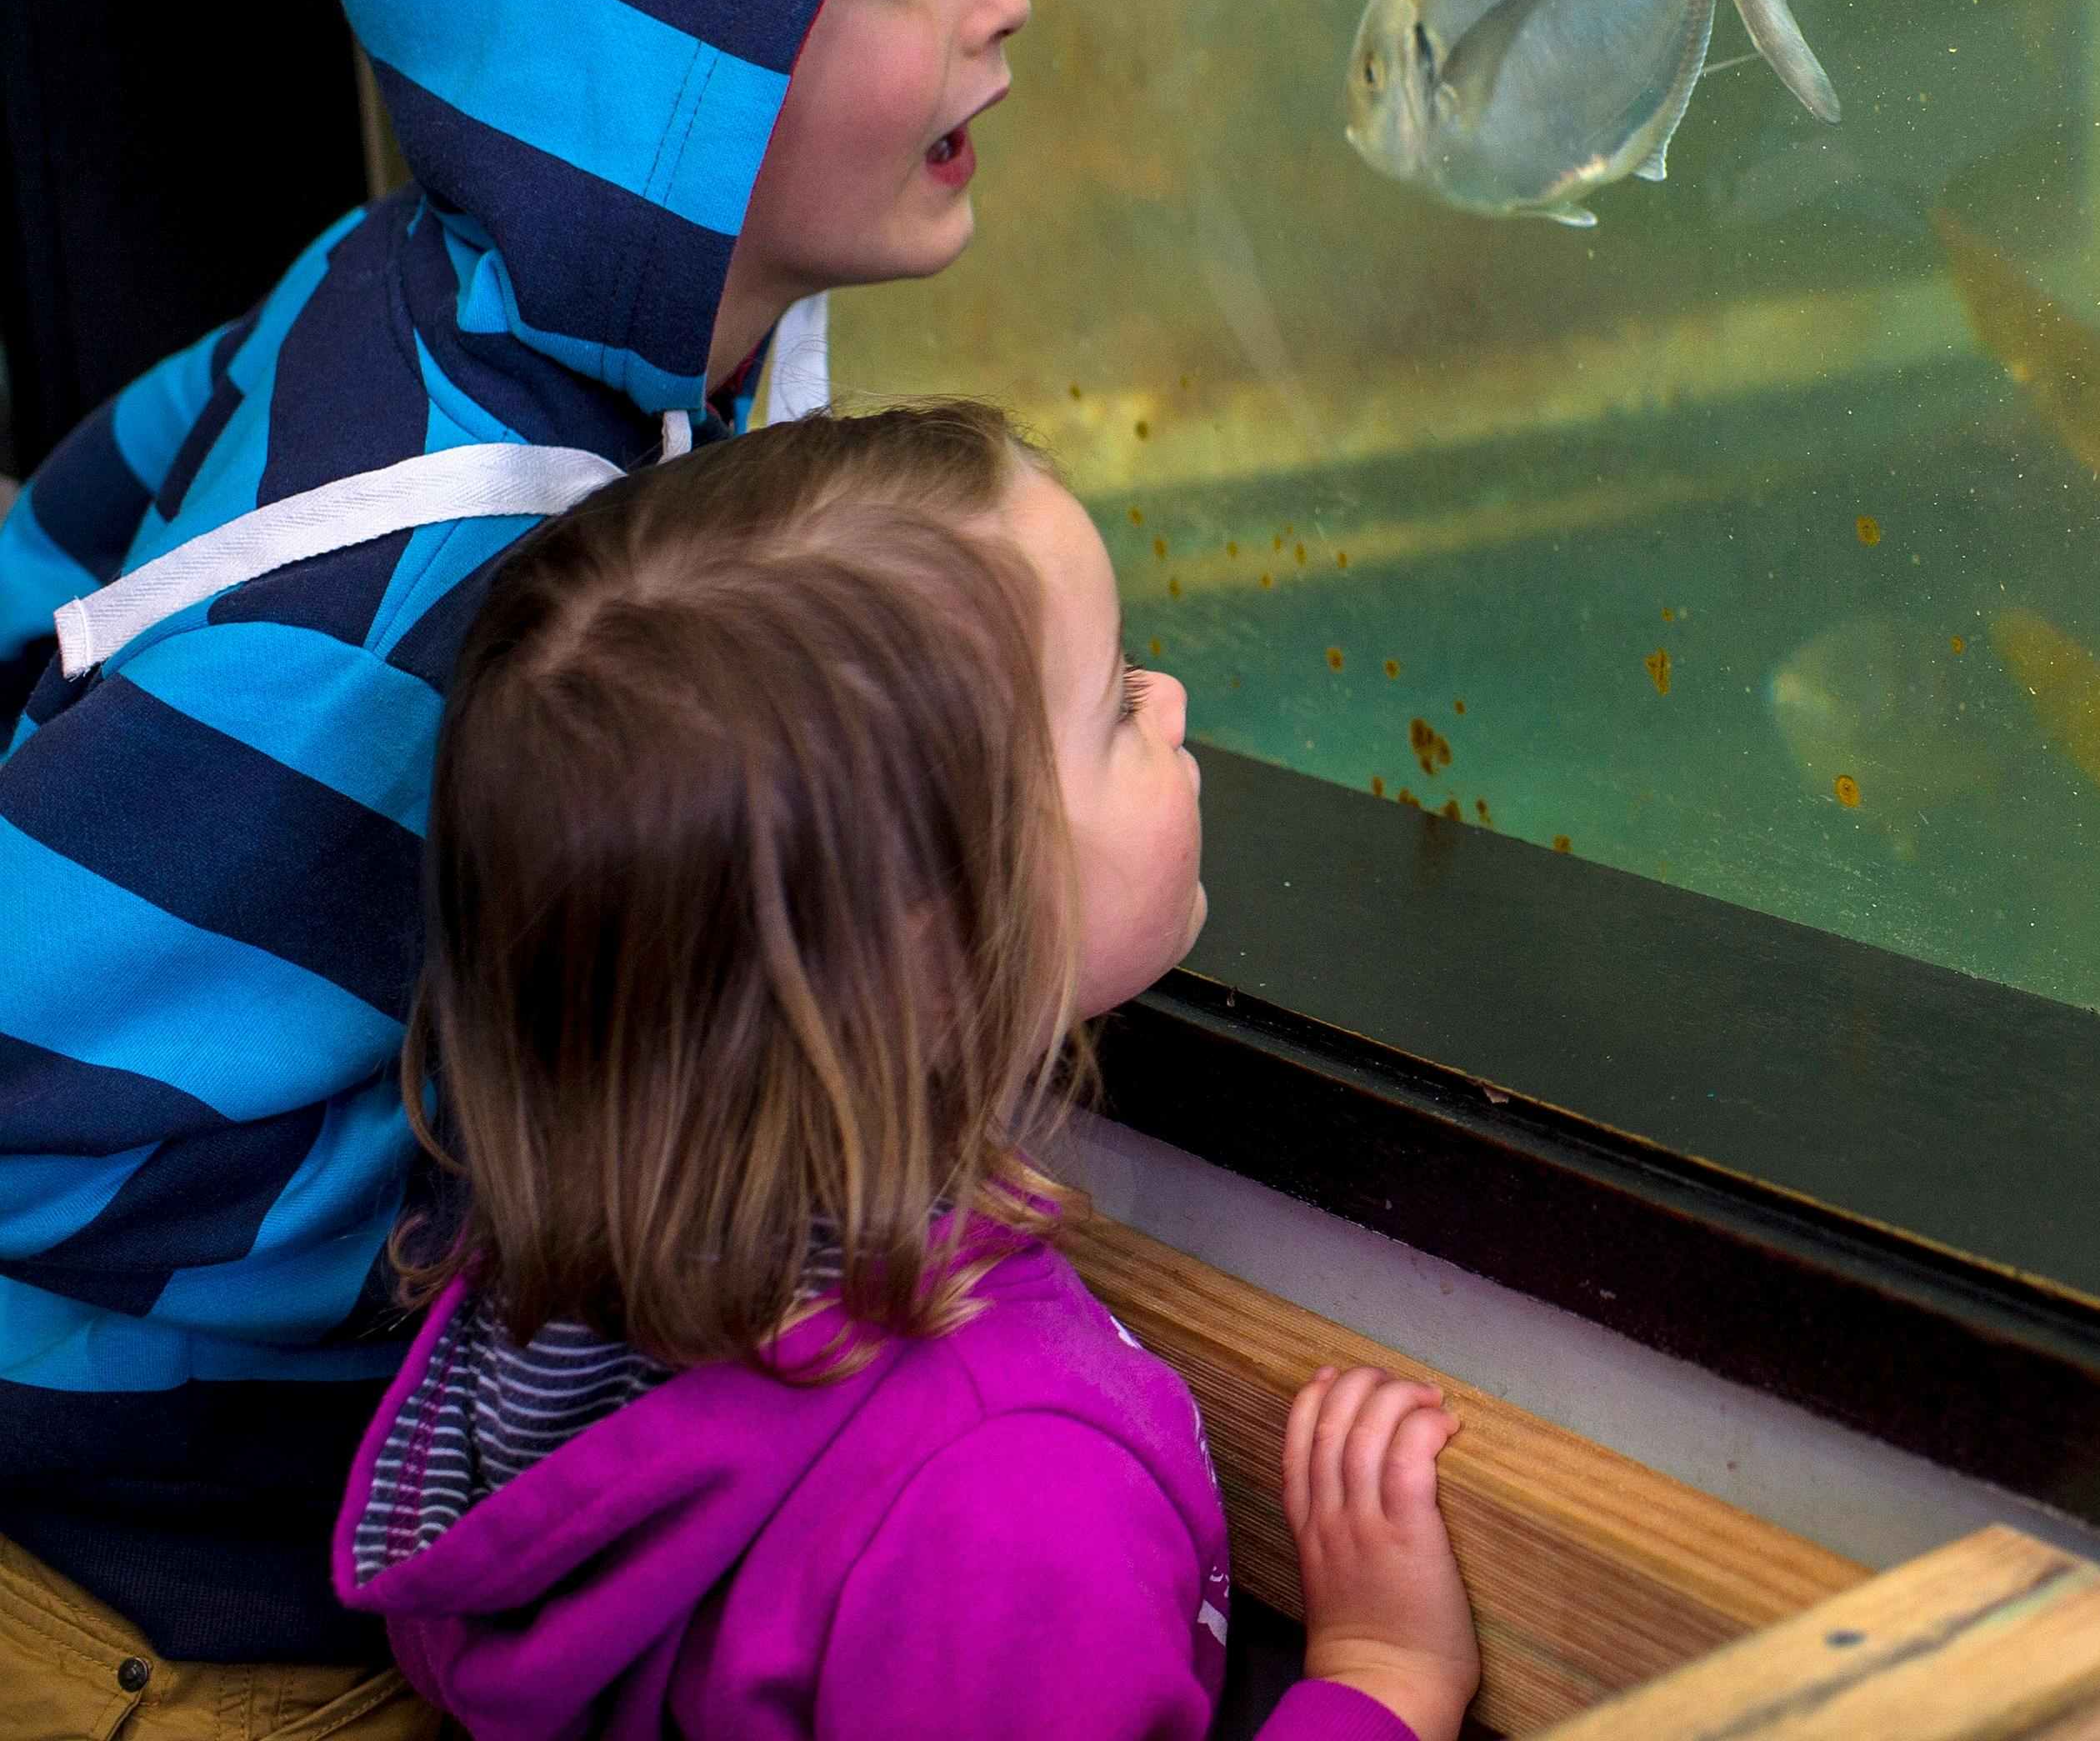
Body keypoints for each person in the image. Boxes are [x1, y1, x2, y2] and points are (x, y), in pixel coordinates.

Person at [0, 0, 1032, 1730]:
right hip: (162, 1411)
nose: (1001, 0)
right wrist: (394, 1248)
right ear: (627, 74)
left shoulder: (613, 334)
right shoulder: (386, 582)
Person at [337, 403, 1478, 1741]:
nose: (1168, 701)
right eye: (1114, 702)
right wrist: (1379, 1682)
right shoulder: (1013, 1500)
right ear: (938, 958)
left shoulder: (544, 1314)